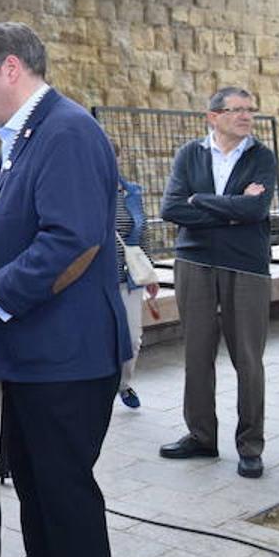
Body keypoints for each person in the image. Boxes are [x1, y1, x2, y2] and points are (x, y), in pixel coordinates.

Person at [0, 22, 130, 557]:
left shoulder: (66, 132)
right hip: (36, 356)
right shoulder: (29, 133)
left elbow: (70, 239)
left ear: (9, 68)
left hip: (67, 358)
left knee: (64, 494)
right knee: (34, 484)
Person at [158, 86, 276, 479]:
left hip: (246, 267)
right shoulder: (189, 154)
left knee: (248, 359)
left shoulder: (262, 156)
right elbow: (171, 207)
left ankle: (250, 446)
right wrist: (231, 210)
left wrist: (199, 201)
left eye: (249, 109)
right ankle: (201, 436)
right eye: (236, 110)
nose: (245, 116)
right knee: (196, 353)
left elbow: (256, 208)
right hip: (194, 263)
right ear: (213, 116)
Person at [114, 169, 159, 409]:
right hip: (97, 281)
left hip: (129, 277)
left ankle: (124, 383)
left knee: (132, 338)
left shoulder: (131, 192)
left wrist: (149, 272)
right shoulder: (83, 191)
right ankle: (100, 386)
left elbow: (143, 234)